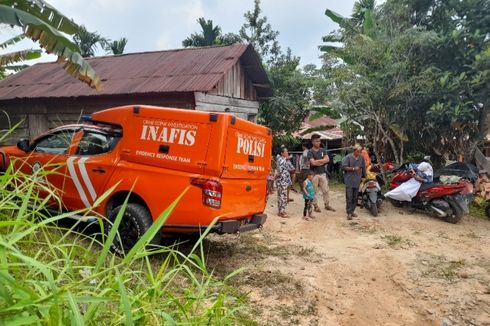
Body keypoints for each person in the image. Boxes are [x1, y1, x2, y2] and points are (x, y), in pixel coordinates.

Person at [307, 134, 336, 213]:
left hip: (322, 173)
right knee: (314, 191)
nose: (319, 142)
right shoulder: (310, 152)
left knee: (326, 190)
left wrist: (318, 161)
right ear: (312, 142)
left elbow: (327, 159)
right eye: (317, 141)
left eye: (319, 141)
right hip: (314, 174)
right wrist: (322, 161)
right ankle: (315, 206)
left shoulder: (323, 150)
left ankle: (327, 205)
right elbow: (312, 163)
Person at [341, 144, 366, 220]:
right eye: (358, 151)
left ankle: (352, 211)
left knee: (355, 197)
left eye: (360, 152)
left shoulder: (361, 158)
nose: (359, 153)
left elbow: (363, 167)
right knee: (349, 196)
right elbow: (343, 167)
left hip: (357, 180)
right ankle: (349, 213)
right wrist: (353, 169)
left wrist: (364, 177)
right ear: (354, 151)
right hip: (349, 180)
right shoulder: (348, 157)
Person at [276, 147, 293, 218]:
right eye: (286, 152)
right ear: (282, 153)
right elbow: (280, 170)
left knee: (282, 196)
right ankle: (281, 211)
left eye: (287, 152)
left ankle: (281, 211)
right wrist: (288, 158)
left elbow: (290, 168)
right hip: (281, 181)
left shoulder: (285, 160)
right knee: (282, 196)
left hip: (284, 181)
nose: (287, 153)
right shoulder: (280, 159)